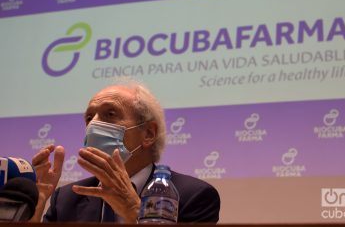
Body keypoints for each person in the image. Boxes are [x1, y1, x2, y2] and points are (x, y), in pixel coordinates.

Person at [30, 79, 220, 223]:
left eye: (110, 114)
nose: (94, 124)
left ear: (148, 134)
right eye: (89, 117)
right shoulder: (67, 198)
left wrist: (133, 210)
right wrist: (36, 203)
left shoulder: (194, 195)